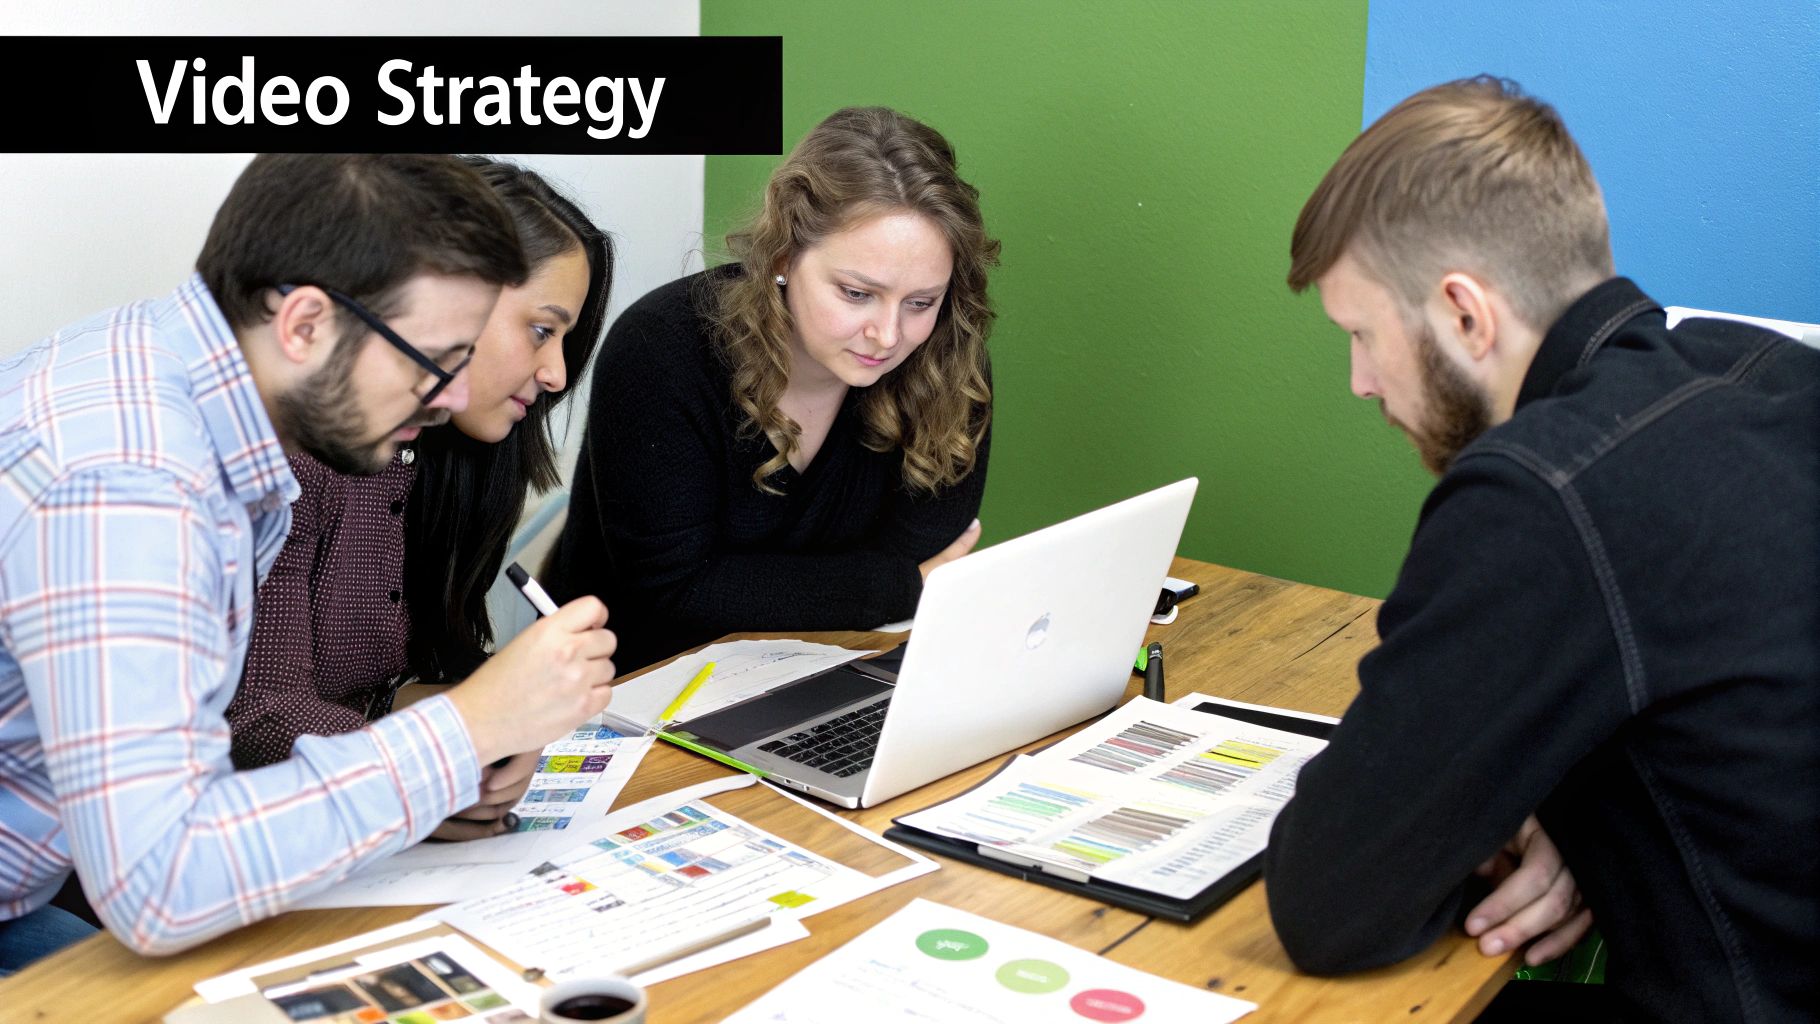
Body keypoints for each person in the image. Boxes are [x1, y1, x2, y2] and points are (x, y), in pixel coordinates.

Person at [1264, 76, 1818, 1021]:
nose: (1360, 382)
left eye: (1362, 334)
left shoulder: (1545, 490)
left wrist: (1520, 803)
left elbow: (1329, 901)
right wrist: (1573, 803)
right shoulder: (1763, 372)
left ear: (1464, 314)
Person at [0, 154, 618, 972]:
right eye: (430, 360)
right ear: (304, 325)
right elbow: (161, 882)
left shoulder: (178, 374)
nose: (448, 397)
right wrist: (468, 730)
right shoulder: (131, 485)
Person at [224, 158, 612, 841]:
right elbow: (258, 715)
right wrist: (440, 759)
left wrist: (499, 731)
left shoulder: (460, 454)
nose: (555, 374)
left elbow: (412, 675)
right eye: (542, 330)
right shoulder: (295, 452)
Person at [548, 106, 997, 671]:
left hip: (839, 673)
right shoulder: (664, 347)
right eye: (857, 293)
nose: (887, 335)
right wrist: (895, 586)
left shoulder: (943, 358)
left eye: (920, 302)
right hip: (635, 686)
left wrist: (768, 585)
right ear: (784, 256)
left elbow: (926, 549)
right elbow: (672, 591)